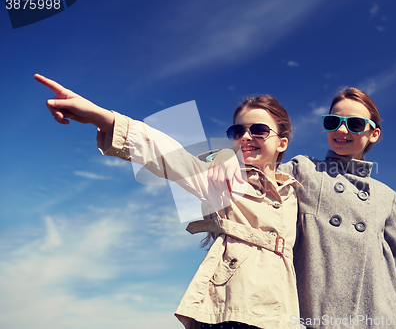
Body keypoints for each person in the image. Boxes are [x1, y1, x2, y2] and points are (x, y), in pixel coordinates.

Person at [35, 73, 302, 329]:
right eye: (237, 131)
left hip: (282, 316)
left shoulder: (296, 193)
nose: (246, 137)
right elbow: (169, 155)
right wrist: (103, 117)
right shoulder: (221, 179)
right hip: (230, 311)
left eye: (258, 130)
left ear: (282, 143)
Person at [209, 87, 396, 328]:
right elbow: (257, 173)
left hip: (379, 315)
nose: (342, 130)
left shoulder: (386, 196)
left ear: (373, 134)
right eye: (333, 122)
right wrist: (222, 160)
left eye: (355, 124)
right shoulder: (304, 169)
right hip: (319, 314)